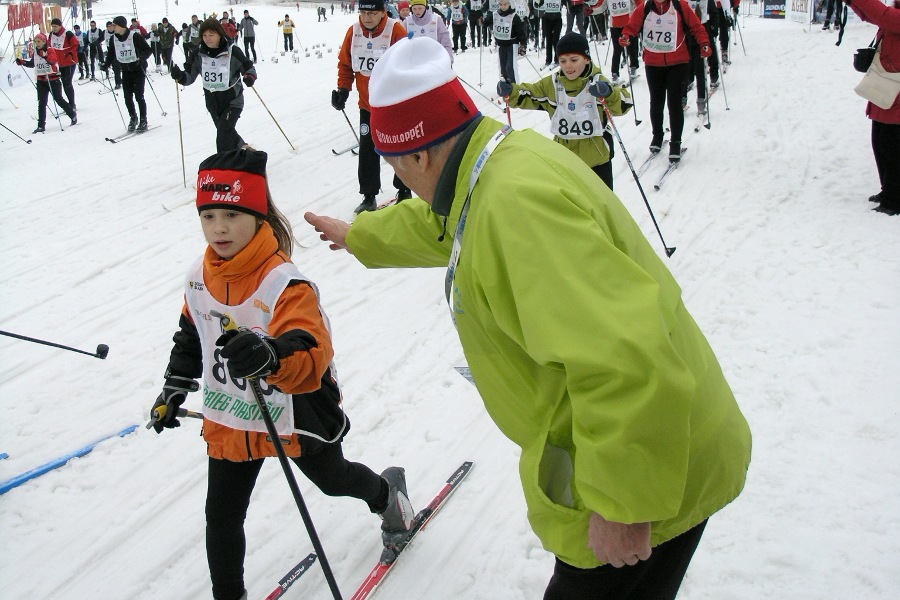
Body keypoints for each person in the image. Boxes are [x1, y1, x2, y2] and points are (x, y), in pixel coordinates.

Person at [304, 35, 751, 600]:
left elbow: (621, 354)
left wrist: (624, 501)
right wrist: (360, 234)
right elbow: (446, 221)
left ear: (419, 155)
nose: (402, 183)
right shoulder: (494, 165)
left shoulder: (517, 205)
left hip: (643, 466)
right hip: (644, 448)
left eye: (398, 169)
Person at [151, 147, 415, 600]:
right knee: (223, 515)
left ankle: (387, 497)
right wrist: (174, 386)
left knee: (334, 481)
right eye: (209, 216)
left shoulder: (283, 281)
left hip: (295, 409)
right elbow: (193, 332)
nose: (219, 228)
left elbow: (309, 347)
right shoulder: (200, 275)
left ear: (258, 216)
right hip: (235, 415)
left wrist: (270, 356)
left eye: (232, 215)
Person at [499, 32, 633, 189]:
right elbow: (530, 94)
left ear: (587, 59)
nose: (568, 65)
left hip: (596, 159)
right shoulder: (553, 83)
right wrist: (511, 91)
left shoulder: (597, 82)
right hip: (564, 158)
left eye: (574, 60)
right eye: (562, 61)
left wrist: (609, 93)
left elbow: (624, 103)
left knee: (601, 207)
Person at [332, 0, 411, 213]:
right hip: (367, 105)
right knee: (368, 150)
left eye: (372, 13)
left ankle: (404, 190)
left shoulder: (395, 30)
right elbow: (346, 64)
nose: (366, 18)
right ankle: (369, 195)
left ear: (382, 12)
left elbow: (408, 63)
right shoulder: (354, 32)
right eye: (363, 12)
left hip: (393, 105)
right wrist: (343, 89)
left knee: (398, 148)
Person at [620, 0, 711, 161]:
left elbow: (696, 26)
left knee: (674, 104)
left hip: (678, 62)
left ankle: (675, 142)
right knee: (656, 102)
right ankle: (657, 136)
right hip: (653, 63)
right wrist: (626, 36)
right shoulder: (645, 7)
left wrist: (704, 43)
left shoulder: (679, 6)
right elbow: (631, 27)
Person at [171, 18, 257, 152]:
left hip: (232, 101)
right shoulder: (198, 54)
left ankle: (224, 165)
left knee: (223, 135)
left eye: (211, 35)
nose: (207, 38)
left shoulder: (232, 51)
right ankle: (244, 150)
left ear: (220, 34)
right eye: (204, 35)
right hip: (212, 103)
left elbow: (249, 68)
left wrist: (249, 76)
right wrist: (180, 76)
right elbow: (189, 76)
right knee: (227, 133)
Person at [848, 0, 900, 215]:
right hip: (886, 85)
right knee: (880, 141)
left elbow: (883, 16)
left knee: (893, 147)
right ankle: (887, 189)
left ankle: (895, 198)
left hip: (895, 89)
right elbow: (872, 16)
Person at [16, 32, 77, 133]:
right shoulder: (36, 52)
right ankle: (41, 126)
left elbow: (53, 61)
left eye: (39, 41)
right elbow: (32, 64)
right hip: (41, 80)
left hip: (53, 79)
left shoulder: (50, 50)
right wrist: (22, 62)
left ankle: (72, 114)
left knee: (58, 99)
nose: (37, 44)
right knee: (42, 103)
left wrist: (45, 56)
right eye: (35, 42)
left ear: (44, 41)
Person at [102, 15, 152, 132]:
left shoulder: (134, 36)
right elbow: (111, 54)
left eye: (115, 25)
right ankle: (133, 118)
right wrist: (106, 65)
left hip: (138, 69)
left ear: (121, 26)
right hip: (125, 71)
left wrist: (142, 58)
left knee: (139, 96)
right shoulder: (114, 39)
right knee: (127, 97)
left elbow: (148, 49)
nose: (113, 27)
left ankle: (143, 119)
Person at [485, 0, 529, 83]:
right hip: (500, 44)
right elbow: (487, 22)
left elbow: (521, 32)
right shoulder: (495, 15)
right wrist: (482, 21)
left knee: (510, 66)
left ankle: (515, 86)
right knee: (502, 67)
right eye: (501, 4)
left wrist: (523, 45)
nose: (503, 6)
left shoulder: (514, 16)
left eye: (505, 4)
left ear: (509, 4)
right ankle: (505, 86)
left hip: (512, 44)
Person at [599, 0, 639, 84]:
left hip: (629, 24)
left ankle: (633, 67)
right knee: (617, 49)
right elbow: (602, 6)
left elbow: (639, 3)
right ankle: (615, 73)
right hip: (615, 25)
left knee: (631, 46)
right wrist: (592, 10)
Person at [48, 18, 78, 111]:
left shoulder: (68, 33)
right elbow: (49, 46)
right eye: (52, 26)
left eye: (55, 26)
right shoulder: (51, 35)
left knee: (67, 83)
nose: (54, 28)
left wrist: (70, 53)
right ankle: (70, 104)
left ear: (60, 26)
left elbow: (76, 44)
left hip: (69, 62)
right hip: (60, 63)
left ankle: (72, 104)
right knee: (64, 83)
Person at [540, 0, 564, 67]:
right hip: (547, 19)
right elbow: (538, 4)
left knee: (556, 39)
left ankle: (557, 59)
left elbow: (567, 2)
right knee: (548, 39)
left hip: (557, 19)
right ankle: (548, 60)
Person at [100, 21, 122, 89]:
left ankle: (124, 81)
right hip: (111, 53)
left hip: (120, 52)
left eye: (111, 26)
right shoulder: (105, 32)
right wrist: (95, 43)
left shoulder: (117, 33)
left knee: (123, 68)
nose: (110, 28)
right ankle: (118, 83)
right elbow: (100, 39)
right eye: (108, 26)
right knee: (116, 69)